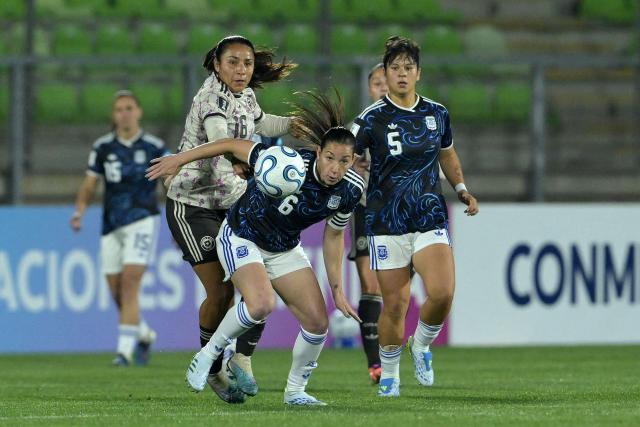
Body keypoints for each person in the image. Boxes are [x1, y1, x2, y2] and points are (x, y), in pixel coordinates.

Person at [147, 91, 363, 406]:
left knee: (318, 324)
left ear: (353, 160)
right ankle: (209, 355)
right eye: (330, 158)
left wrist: (338, 290)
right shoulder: (285, 161)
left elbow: (334, 236)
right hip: (242, 234)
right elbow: (230, 145)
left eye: (344, 161)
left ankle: (295, 392)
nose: (335, 167)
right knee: (260, 304)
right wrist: (180, 158)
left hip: (284, 248)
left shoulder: (350, 190)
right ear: (318, 152)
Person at [164, 35, 296, 403]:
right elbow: (220, 138)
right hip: (192, 204)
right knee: (220, 292)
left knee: (259, 277)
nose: (241, 70)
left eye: (247, 63)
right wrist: (243, 163)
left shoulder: (247, 96)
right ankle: (214, 367)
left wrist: (292, 124)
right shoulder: (210, 98)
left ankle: (244, 358)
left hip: (233, 201)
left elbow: (261, 122)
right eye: (234, 62)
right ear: (217, 65)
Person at [351, 36, 479, 398]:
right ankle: (389, 374)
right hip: (386, 221)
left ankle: (421, 344)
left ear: (418, 74)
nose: (402, 74)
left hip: (428, 215)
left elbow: (447, 155)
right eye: (395, 69)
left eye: (408, 68)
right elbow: (344, 152)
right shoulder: (371, 118)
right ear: (385, 75)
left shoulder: (437, 113)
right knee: (394, 305)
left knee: (442, 292)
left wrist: (461, 187)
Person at [71, 90, 168, 366]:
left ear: (139, 111)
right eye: (118, 109)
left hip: (143, 220)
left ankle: (124, 352)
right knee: (115, 291)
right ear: (113, 116)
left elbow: (169, 183)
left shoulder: (154, 147)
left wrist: (177, 219)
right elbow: (90, 184)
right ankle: (144, 333)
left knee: (129, 283)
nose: (124, 113)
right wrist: (79, 211)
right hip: (111, 224)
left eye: (128, 108)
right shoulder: (103, 147)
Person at [348, 63, 388, 384]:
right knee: (369, 282)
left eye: (387, 82)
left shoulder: (415, 122)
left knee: (397, 291)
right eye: (377, 83)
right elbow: (337, 160)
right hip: (365, 210)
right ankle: (375, 364)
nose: (384, 88)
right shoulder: (359, 126)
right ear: (369, 88)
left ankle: (406, 348)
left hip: (402, 213)